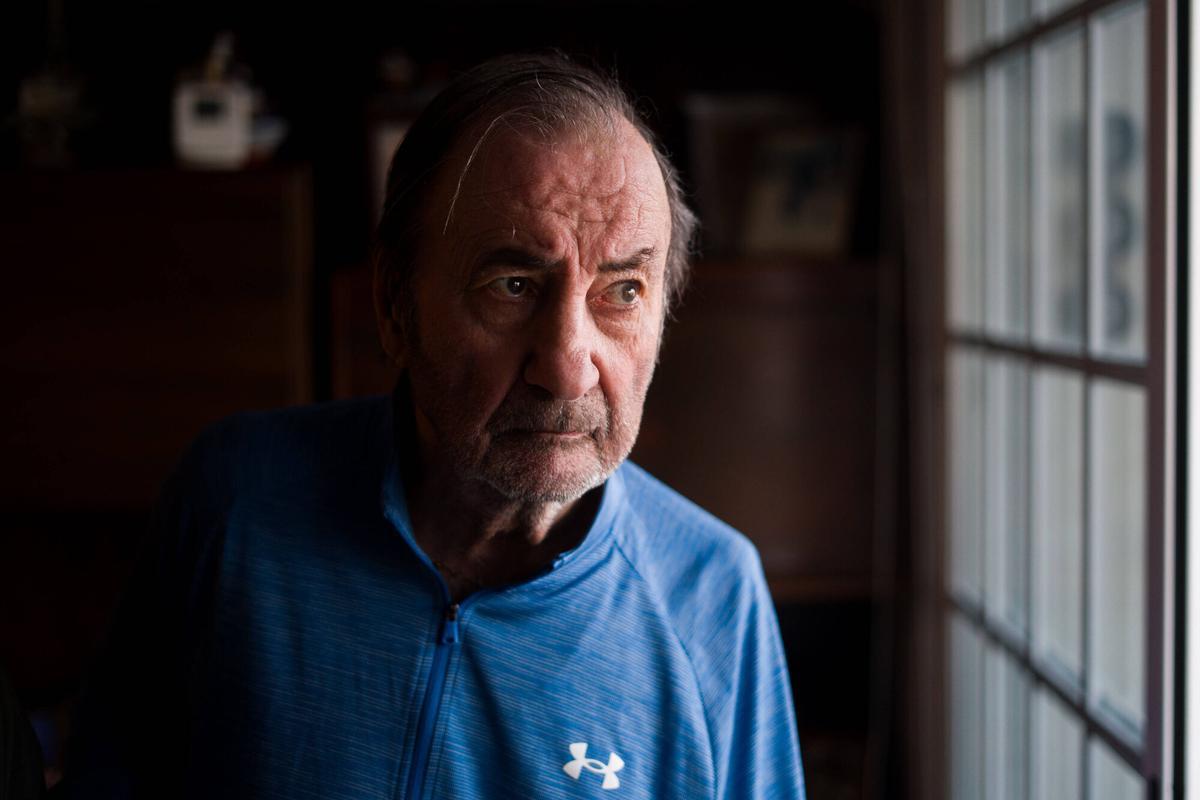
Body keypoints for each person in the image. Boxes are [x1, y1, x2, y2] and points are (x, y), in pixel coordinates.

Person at [60, 53, 806, 799]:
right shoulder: (238, 503)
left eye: (624, 291)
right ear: (395, 306)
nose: (568, 369)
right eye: (513, 286)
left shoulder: (710, 598)